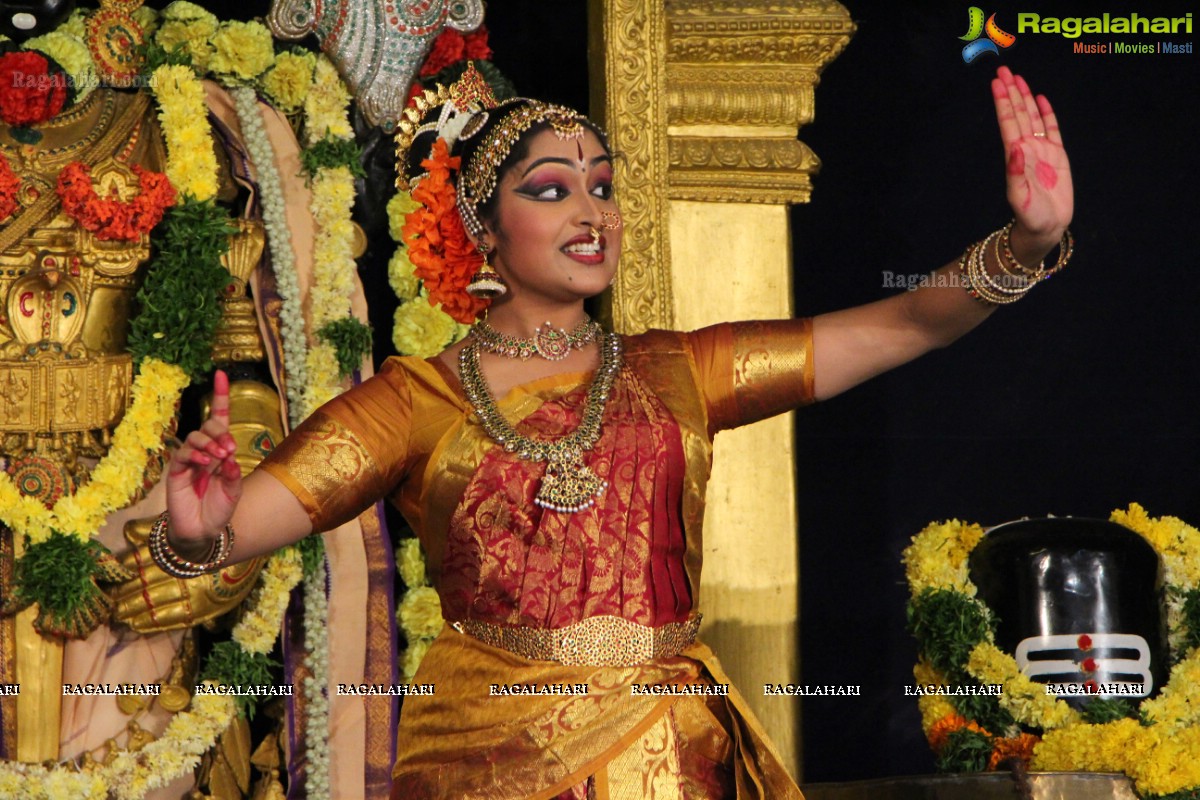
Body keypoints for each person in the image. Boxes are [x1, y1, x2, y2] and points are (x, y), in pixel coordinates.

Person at [158, 64, 1073, 799]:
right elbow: (259, 514)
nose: (593, 212)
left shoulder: (678, 371)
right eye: (553, 190)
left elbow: (908, 324)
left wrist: (1026, 245)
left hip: (668, 758)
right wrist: (203, 532)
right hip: (486, 763)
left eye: (602, 187)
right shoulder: (417, 401)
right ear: (484, 225)